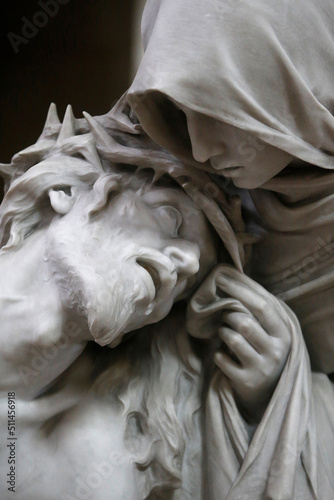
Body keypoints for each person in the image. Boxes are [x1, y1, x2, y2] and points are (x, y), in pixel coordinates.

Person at [0, 102, 297, 499]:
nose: (186, 264)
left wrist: (269, 397)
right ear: (64, 192)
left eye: (186, 288)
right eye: (170, 219)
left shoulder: (98, 459)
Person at [126, 0, 334, 375]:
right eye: (182, 112)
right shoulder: (163, 169)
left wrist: (284, 388)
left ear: (292, 84)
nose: (200, 148)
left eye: (218, 110)